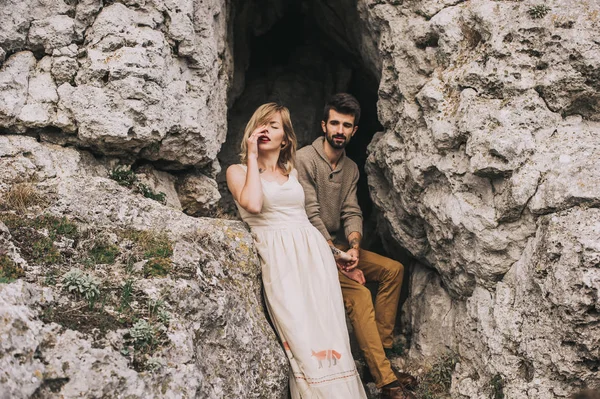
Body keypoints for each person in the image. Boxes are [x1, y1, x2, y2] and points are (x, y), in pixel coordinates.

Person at [226, 102, 367, 398]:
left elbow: (305, 220)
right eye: (260, 123)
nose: (264, 129)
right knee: (301, 338)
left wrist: (336, 254)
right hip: (279, 260)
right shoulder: (238, 171)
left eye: (273, 126)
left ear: (286, 139)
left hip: (315, 259)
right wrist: (252, 155)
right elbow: (252, 204)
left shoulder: (292, 173)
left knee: (330, 333)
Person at [296, 93, 416, 399]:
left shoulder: (350, 168)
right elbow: (310, 214)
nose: (339, 130)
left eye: (346, 125)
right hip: (312, 248)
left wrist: (354, 246)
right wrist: (338, 257)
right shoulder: (304, 160)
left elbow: (351, 211)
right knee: (360, 294)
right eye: (334, 123)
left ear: (354, 131)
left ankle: (382, 356)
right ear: (323, 125)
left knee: (393, 270)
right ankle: (387, 382)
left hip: (338, 247)